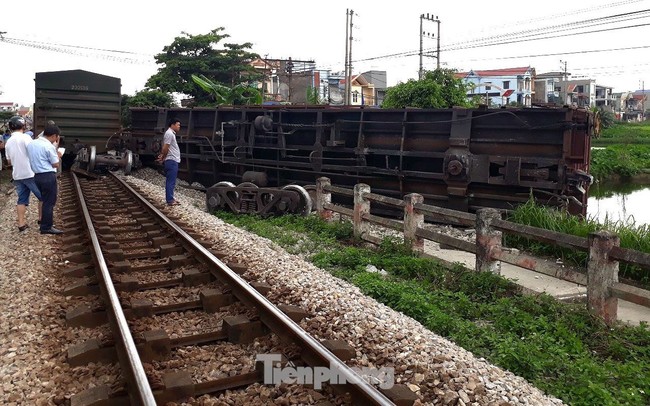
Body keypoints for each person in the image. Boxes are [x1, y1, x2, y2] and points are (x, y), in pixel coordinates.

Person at [4, 116, 42, 232]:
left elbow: (9, 161)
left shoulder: (8, 142)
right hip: (30, 173)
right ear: (23, 126)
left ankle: (21, 224)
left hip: (17, 174)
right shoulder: (26, 138)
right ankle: (42, 219)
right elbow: (34, 152)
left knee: (22, 199)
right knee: (43, 196)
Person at [27, 124, 63, 235]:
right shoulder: (48, 146)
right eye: (57, 137)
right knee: (49, 202)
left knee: (44, 199)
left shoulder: (31, 144)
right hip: (47, 176)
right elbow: (55, 164)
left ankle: (44, 222)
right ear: (54, 136)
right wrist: (59, 155)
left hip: (37, 176)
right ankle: (46, 227)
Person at [157, 117, 181, 206]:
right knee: (171, 181)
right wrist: (163, 157)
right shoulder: (169, 134)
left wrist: (163, 156)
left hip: (172, 160)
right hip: (172, 160)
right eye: (178, 125)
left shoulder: (170, 133)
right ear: (172, 125)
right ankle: (170, 200)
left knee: (171, 181)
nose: (179, 127)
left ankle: (171, 197)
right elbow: (166, 147)